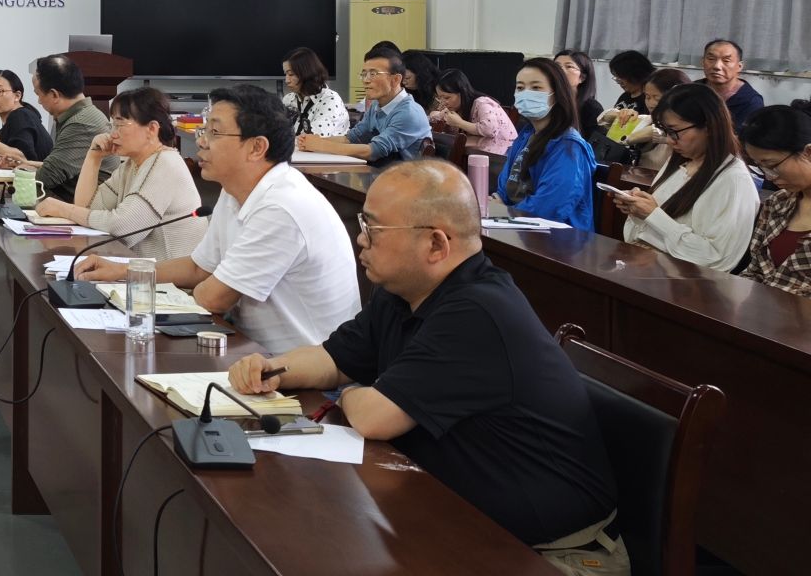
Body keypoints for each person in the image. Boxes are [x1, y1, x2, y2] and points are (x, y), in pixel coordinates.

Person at [226, 161, 622, 560]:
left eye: (373, 228)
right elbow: (333, 358)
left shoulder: (479, 311)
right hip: (461, 523)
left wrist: (347, 393)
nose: (360, 239)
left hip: (553, 555)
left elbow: (374, 418)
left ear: (436, 244)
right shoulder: (403, 291)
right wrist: (273, 370)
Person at [74, 86, 358, 353]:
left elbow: (212, 298)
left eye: (214, 132)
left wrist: (138, 294)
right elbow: (199, 267)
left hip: (301, 369)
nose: (200, 141)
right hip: (248, 349)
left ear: (256, 147)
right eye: (204, 129)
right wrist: (124, 271)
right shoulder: (235, 190)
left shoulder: (281, 206)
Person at [36, 86, 206, 259]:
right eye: (113, 125)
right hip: (140, 268)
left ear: (151, 129)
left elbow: (123, 228)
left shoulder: (165, 163)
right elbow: (86, 208)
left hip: (168, 275)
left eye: (120, 125)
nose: (112, 134)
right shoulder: (131, 165)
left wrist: (64, 209)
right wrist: (93, 157)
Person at [612, 84, 757, 273]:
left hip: (689, 283)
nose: (670, 140)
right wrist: (637, 208)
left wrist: (653, 215)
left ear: (709, 127)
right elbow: (646, 232)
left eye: (675, 131)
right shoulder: (680, 162)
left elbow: (716, 258)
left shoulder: (734, 180)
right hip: (649, 268)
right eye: (665, 131)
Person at [0, 55, 114, 196]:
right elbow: (57, 167)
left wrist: (20, 168)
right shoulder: (81, 115)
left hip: (75, 202)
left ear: (54, 95)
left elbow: (47, 177)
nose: (39, 101)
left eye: (38, 94)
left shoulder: (81, 123)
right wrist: (24, 163)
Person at [495, 58, 595, 231]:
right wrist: (500, 205)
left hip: (557, 238)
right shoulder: (526, 135)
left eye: (536, 88)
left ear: (557, 94)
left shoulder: (569, 146)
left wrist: (506, 212)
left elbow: (549, 208)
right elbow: (504, 186)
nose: (526, 93)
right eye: (520, 88)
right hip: (517, 227)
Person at [300, 51, 430, 163]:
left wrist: (321, 145)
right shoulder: (376, 105)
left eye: (373, 74)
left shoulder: (409, 112)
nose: (366, 80)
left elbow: (374, 151)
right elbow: (350, 139)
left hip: (405, 180)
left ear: (395, 79)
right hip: (379, 173)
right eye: (364, 74)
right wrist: (308, 141)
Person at [739, 102, 811, 297]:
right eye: (760, 167)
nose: (769, 176)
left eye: (772, 165)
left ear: (808, 153)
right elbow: (754, 271)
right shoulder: (777, 203)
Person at [606, 67, 690, 172]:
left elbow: (662, 134)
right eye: (647, 97)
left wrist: (651, 133)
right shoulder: (648, 120)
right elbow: (604, 119)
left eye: (657, 98)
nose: (651, 104)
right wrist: (620, 114)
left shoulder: (683, 132)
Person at [428, 69, 517, 154]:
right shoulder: (457, 107)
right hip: (482, 152)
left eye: (447, 97)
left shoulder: (482, 103)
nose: (443, 102)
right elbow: (436, 118)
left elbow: (489, 130)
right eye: (440, 98)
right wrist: (437, 116)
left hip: (506, 154)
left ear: (462, 92)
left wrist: (459, 123)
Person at [281, 47, 349, 138]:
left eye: (291, 74)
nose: (287, 80)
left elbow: (314, 138)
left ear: (306, 73)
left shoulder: (330, 99)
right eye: (285, 74)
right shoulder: (288, 99)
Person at [701, 38, 765, 132]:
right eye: (711, 59)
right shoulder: (691, 90)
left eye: (726, 60)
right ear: (702, 62)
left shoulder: (751, 101)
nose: (717, 66)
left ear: (739, 66)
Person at [555, 50, 602, 128]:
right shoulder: (546, 100)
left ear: (582, 78)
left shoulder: (591, 108)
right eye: (556, 66)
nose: (560, 70)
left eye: (569, 66)